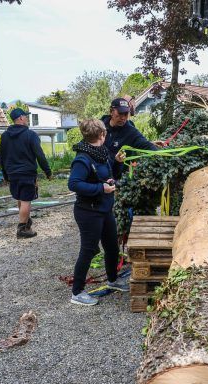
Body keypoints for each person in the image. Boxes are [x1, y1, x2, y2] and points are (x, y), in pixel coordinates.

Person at [68, 119, 129, 306]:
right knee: (88, 251)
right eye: (105, 134)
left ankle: (113, 279)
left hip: (104, 209)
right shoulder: (83, 158)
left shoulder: (101, 153)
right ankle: (77, 292)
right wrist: (101, 189)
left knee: (111, 247)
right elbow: (74, 184)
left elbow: (111, 175)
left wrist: (118, 163)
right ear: (102, 135)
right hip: (88, 212)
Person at [0, 108, 52, 239]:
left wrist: (5, 175)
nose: (27, 119)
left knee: (20, 198)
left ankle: (26, 222)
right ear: (21, 118)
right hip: (27, 173)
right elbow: (40, 154)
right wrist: (47, 171)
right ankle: (22, 229)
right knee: (26, 199)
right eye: (26, 117)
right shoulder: (30, 135)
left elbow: (2, 157)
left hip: (12, 173)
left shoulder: (5, 136)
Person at [101, 98, 158, 163]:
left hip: (120, 172)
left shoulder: (131, 131)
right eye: (120, 113)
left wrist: (159, 153)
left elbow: (146, 145)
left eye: (125, 114)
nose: (123, 118)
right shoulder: (99, 127)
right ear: (111, 112)